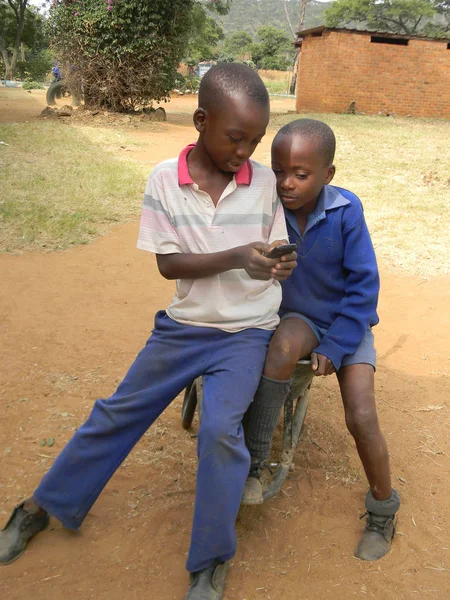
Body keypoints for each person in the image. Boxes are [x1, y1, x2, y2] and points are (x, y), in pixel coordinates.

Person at [0, 64, 297, 600]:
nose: (244, 152)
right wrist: (235, 256)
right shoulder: (165, 178)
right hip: (184, 329)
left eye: (254, 141)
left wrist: (276, 264)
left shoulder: (265, 183)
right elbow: (169, 265)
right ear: (201, 121)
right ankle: (39, 508)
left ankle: (209, 561)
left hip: (247, 333)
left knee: (219, 432)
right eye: (235, 138)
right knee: (118, 411)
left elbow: (273, 247)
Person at [242, 119, 400, 562]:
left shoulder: (346, 210)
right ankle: (254, 465)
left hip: (347, 320)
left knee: (362, 414)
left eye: (301, 174)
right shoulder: (268, 207)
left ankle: (383, 506)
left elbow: (364, 287)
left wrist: (337, 345)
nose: (286, 183)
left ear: (328, 174)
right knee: (282, 348)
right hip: (301, 318)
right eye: (278, 171)